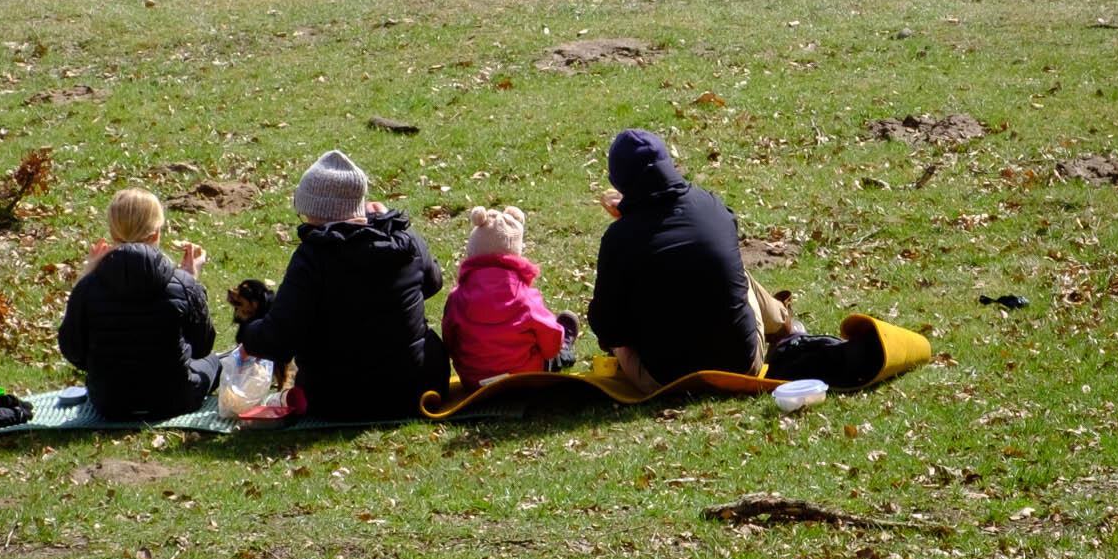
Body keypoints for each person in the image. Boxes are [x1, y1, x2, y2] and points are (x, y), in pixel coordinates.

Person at [237, 149, 450, 420]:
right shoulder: (405, 241)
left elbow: (279, 339)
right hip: (418, 390)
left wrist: (248, 333)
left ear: (313, 210)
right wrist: (385, 226)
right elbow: (433, 283)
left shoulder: (312, 258)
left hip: (337, 401)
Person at [587, 128, 798, 391]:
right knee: (732, 272)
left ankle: (782, 323)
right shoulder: (713, 207)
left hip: (664, 380)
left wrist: (627, 220)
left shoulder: (618, 238)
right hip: (742, 365)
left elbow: (609, 330)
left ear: (619, 181)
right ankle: (784, 325)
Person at [58, 187, 218, 419]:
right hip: (173, 399)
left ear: (113, 234)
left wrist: (85, 277)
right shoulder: (182, 283)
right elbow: (202, 347)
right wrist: (191, 282)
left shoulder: (89, 286)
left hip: (109, 403)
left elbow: (73, 350)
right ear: (155, 234)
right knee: (214, 362)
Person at [442, 205, 578, 389]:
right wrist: (555, 348)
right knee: (555, 346)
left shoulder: (457, 297)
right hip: (524, 377)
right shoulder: (525, 297)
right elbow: (550, 342)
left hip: (473, 381)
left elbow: (449, 340)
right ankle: (565, 351)